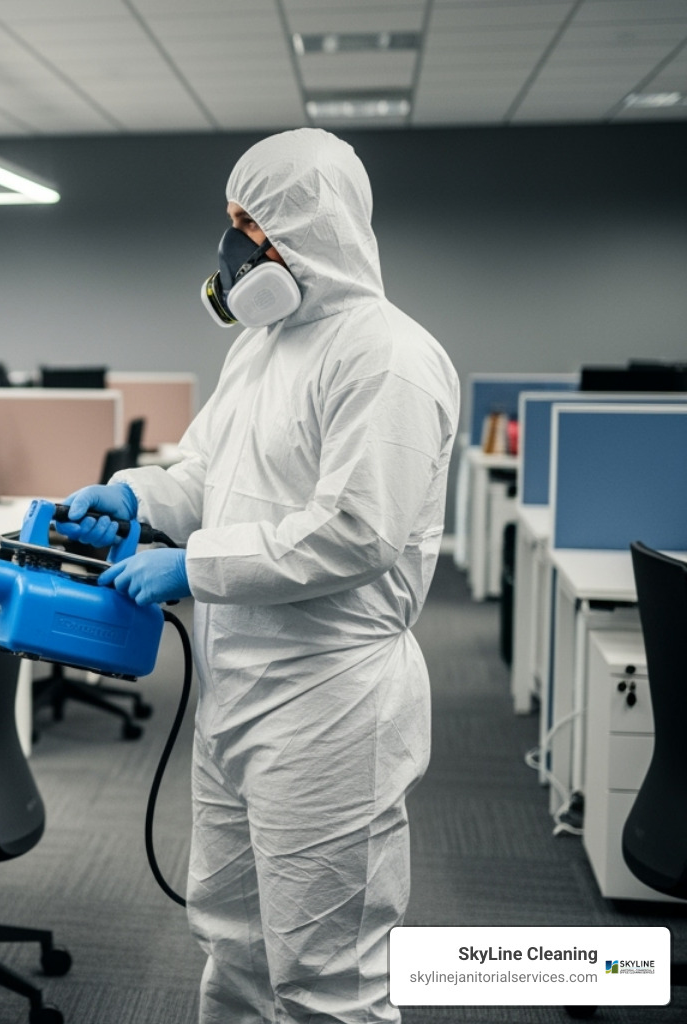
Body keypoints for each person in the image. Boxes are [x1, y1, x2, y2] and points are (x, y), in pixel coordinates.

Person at [60, 128, 459, 1023]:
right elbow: (207, 475)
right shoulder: (261, 346)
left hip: (331, 703)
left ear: (314, 226)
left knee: (330, 976)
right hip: (239, 687)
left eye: (254, 223)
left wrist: (191, 566)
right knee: (231, 938)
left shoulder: (386, 356)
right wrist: (134, 498)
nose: (235, 247)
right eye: (231, 221)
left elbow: (356, 532)